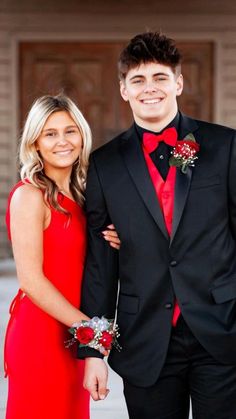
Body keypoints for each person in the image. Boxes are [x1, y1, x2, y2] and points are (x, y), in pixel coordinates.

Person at [79, 32, 236, 419]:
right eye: (138, 80)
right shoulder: (104, 165)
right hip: (145, 338)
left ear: (178, 83)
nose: (150, 89)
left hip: (221, 332)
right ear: (123, 90)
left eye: (160, 78)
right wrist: (93, 351)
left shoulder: (225, 147)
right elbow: (100, 269)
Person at [4, 94, 120, 419]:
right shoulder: (29, 196)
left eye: (70, 131)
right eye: (50, 133)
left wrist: (121, 240)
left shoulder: (84, 196)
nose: (62, 141)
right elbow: (31, 280)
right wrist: (91, 331)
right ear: (36, 143)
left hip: (74, 337)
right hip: (40, 335)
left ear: (82, 135)